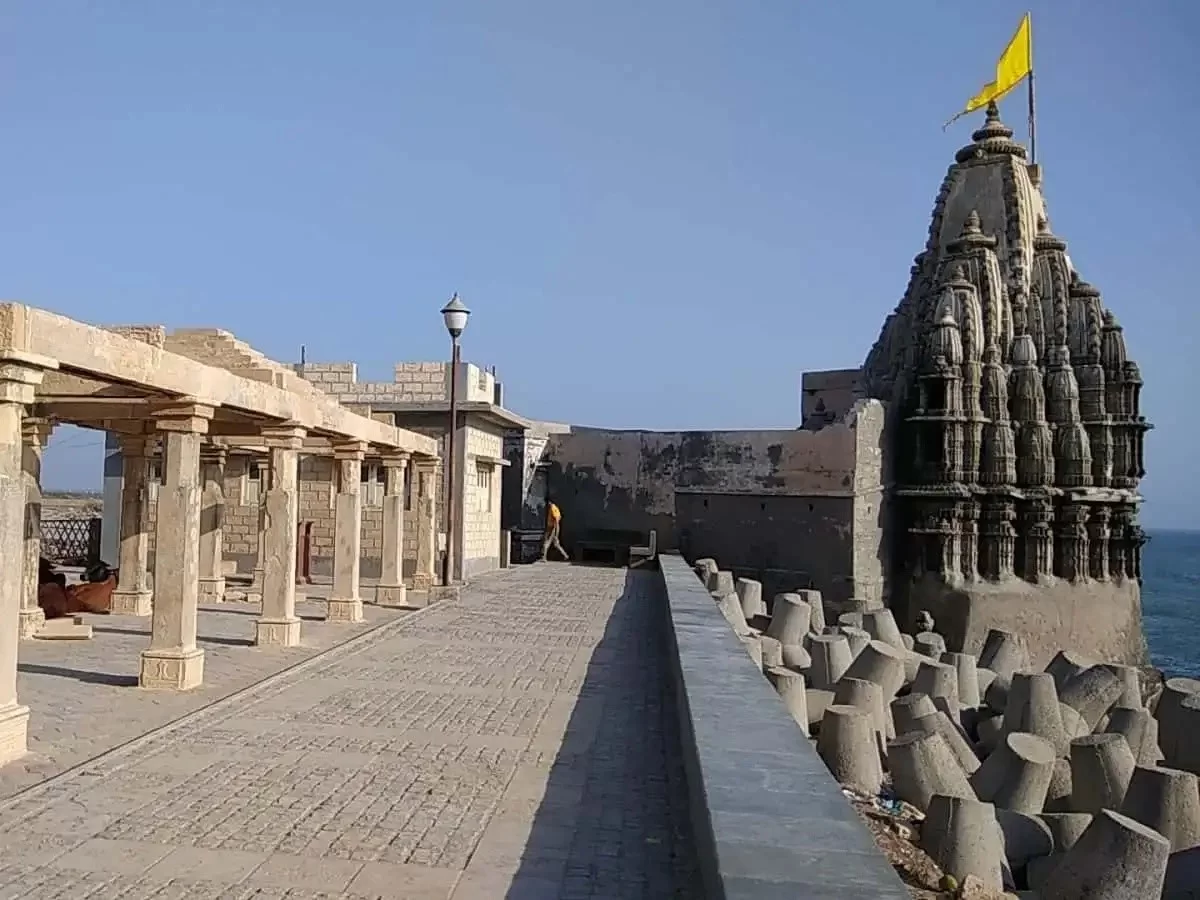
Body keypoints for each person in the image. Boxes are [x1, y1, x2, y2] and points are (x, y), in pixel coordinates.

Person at [542, 497, 569, 562]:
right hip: (552, 527)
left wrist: (556, 534)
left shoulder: (553, 508)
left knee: (546, 542)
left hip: (551, 528)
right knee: (556, 544)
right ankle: (565, 555)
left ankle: (544, 558)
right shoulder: (553, 508)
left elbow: (557, 521)